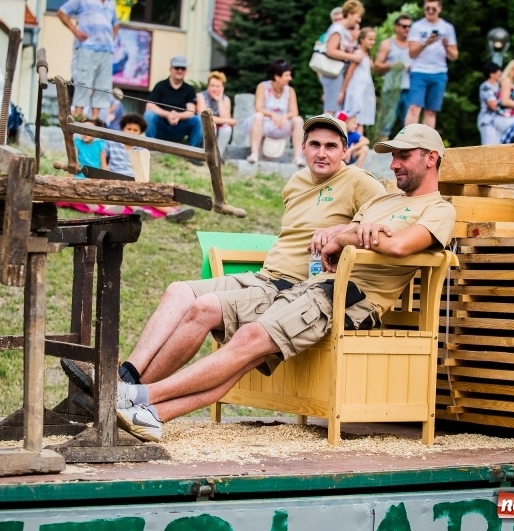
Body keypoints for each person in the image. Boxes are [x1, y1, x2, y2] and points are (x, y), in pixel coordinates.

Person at [111, 123, 456, 443]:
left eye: (403, 156)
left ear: (431, 158)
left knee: (250, 338)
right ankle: (153, 414)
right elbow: (345, 232)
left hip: (352, 298)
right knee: (249, 349)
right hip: (317, 286)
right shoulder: (385, 199)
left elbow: (400, 246)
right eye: (393, 156)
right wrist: (354, 233)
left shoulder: (439, 209)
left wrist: (368, 236)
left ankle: (140, 396)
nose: (394, 164)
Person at [61, 114, 386, 409]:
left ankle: (124, 396)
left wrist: (340, 230)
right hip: (264, 276)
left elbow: (383, 220)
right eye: (314, 144)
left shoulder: (359, 181)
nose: (322, 152)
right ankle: (126, 377)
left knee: (203, 309)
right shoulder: (296, 182)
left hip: (293, 289)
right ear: (302, 148)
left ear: (345, 150)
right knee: (178, 291)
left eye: (331, 146)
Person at [105, 113, 195, 223]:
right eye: (129, 129)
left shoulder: (142, 149)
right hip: (116, 179)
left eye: (135, 130)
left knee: (149, 194)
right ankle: (138, 210)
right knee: (124, 192)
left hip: (136, 180)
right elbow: (104, 162)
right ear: (122, 129)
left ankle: (173, 212)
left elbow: (144, 171)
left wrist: (143, 183)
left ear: (140, 133)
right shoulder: (112, 144)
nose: (131, 132)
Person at [57, 0, 119, 121]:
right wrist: (75, 30)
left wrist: (110, 39)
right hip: (86, 47)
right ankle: (78, 118)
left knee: (103, 85)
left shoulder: (111, 3)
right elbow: (62, 12)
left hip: (106, 50)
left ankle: (95, 121)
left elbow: (116, 23)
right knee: (83, 82)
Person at [404, 0, 457, 128]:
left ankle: (426, 143)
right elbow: (412, 53)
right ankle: (408, 141)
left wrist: (446, 46)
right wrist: (425, 43)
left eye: (433, 8)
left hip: (439, 72)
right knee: (414, 108)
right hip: (419, 71)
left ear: (440, 9)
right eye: (427, 8)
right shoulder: (417, 27)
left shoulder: (447, 28)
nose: (430, 11)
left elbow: (454, 56)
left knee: (431, 111)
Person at [245, 59, 305, 166]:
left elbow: (294, 111)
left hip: (282, 124)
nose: (290, 78)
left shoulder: (290, 91)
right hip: (265, 123)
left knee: (298, 120)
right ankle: (254, 154)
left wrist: (285, 116)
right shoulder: (263, 87)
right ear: (277, 77)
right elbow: (258, 108)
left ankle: (297, 157)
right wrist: (272, 114)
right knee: (258, 116)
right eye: (287, 75)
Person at [144, 56, 202, 149]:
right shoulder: (160, 86)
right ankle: (150, 148)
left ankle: (193, 152)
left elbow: (191, 111)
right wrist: (167, 115)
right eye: (177, 68)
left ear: (186, 71)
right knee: (149, 115)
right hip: (161, 127)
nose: (180, 70)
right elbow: (149, 106)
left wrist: (178, 116)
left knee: (198, 119)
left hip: (180, 128)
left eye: (182, 68)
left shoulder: (189, 89)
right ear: (170, 69)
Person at [318, 0, 366, 115]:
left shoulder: (342, 30)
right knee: (331, 109)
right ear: (350, 14)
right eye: (358, 16)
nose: (359, 20)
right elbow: (331, 51)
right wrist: (353, 57)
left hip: (338, 73)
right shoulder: (337, 29)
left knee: (336, 109)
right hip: (333, 72)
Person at [373, 14, 412, 140]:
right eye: (404, 26)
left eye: (410, 26)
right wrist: (394, 65)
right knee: (385, 124)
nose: (407, 29)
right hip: (391, 89)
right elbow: (377, 66)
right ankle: (379, 155)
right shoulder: (387, 43)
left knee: (410, 127)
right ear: (396, 27)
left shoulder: (414, 45)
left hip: (411, 89)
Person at [339, 27, 376, 132]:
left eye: (373, 39)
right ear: (362, 39)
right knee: (355, 115)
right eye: (370, 39)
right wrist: (342, 91)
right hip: (357, 87)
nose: (372, 42)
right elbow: (349, 73)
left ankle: (359, 141)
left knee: (362, 117)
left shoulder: (368, 54)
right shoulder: (357, 54)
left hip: (366, 88)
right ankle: (353, 141)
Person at [196, 71, 235, 162]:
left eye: (218, 86)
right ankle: (207, 155)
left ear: (222, 87)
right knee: (211, 125)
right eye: (212, 86)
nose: (214, 89)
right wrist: (227, 120)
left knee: (227, 129)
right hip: (205, 126)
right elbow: (204, 117)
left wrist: (219, 100)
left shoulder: (225, 99)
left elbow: (226, 119)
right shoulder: (201, 96)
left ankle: (218, 157)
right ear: (208, 86)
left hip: (219, 127)